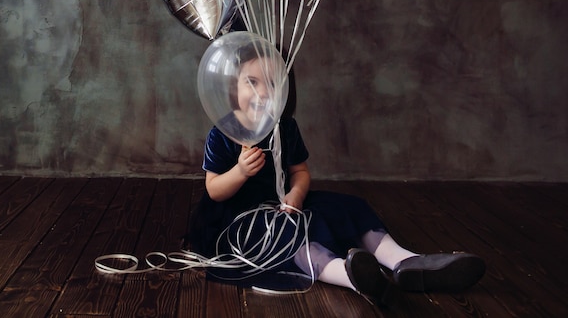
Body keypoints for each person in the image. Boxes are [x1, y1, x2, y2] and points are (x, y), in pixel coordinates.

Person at [187, 42, 485, 306]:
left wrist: (296, 195)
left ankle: (405, 262)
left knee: (349, 207)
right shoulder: (224, 133)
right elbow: (214, 189)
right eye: (251, 82)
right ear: (233, 86)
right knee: (290, 235)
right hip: (240, 215)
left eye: (273, 84)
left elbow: (300, 171)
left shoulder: (285, 127)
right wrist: (239, 171)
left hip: (285, 203)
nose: (262, 93)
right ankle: (349, 275)